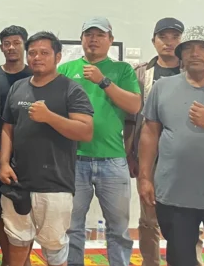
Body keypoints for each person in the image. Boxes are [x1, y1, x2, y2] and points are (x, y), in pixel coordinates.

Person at [139, 26, 204, 266]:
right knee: (179, 258)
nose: (195, 53)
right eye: (188, 48)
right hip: (175, 193)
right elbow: (149, 133)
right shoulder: (162, 87)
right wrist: (145, 178)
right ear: (181, 55)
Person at [0, 32, 94, 266]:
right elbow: (8, 127)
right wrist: (3, 163)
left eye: (44, 53)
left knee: (54, 247)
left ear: (57, 57)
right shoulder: (18, 87)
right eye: (32, 53)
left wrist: (49, 117)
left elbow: (85, 131)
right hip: (18, 181)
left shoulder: (71, 89)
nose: (37, 57)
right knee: (17, 240)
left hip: (55, 184)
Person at [59, 17, 141, 266]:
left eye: (100, 35)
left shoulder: (122, 70)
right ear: (81, 39)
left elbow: (134, 106)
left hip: (113, 160)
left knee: (118, 229)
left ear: (110, 40)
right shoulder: (65, 69)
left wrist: (103, 81)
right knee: (72, 227)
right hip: (73, 159)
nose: (93, 39)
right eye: (89, 34)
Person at [126, 19, 203, 266]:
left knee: (190, 215)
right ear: (154, 41)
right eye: (163, 37)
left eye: (174, 37)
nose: (169, 42)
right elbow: (132, 119)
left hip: (185, 156)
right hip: (149, 155)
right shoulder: (140, 73)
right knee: (149, 217)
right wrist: (131, 154)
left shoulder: (194, 72)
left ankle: (191, 260)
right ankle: (150, 261)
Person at [0, 26, 33, 266]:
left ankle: (24, 260)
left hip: (30, 155)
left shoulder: (35, 74)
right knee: (1, 209)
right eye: (6, 43)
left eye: (16, 42)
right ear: (1, 47)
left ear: (24, 45)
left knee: (28, 210)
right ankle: (7, 259)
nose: (11, 47)